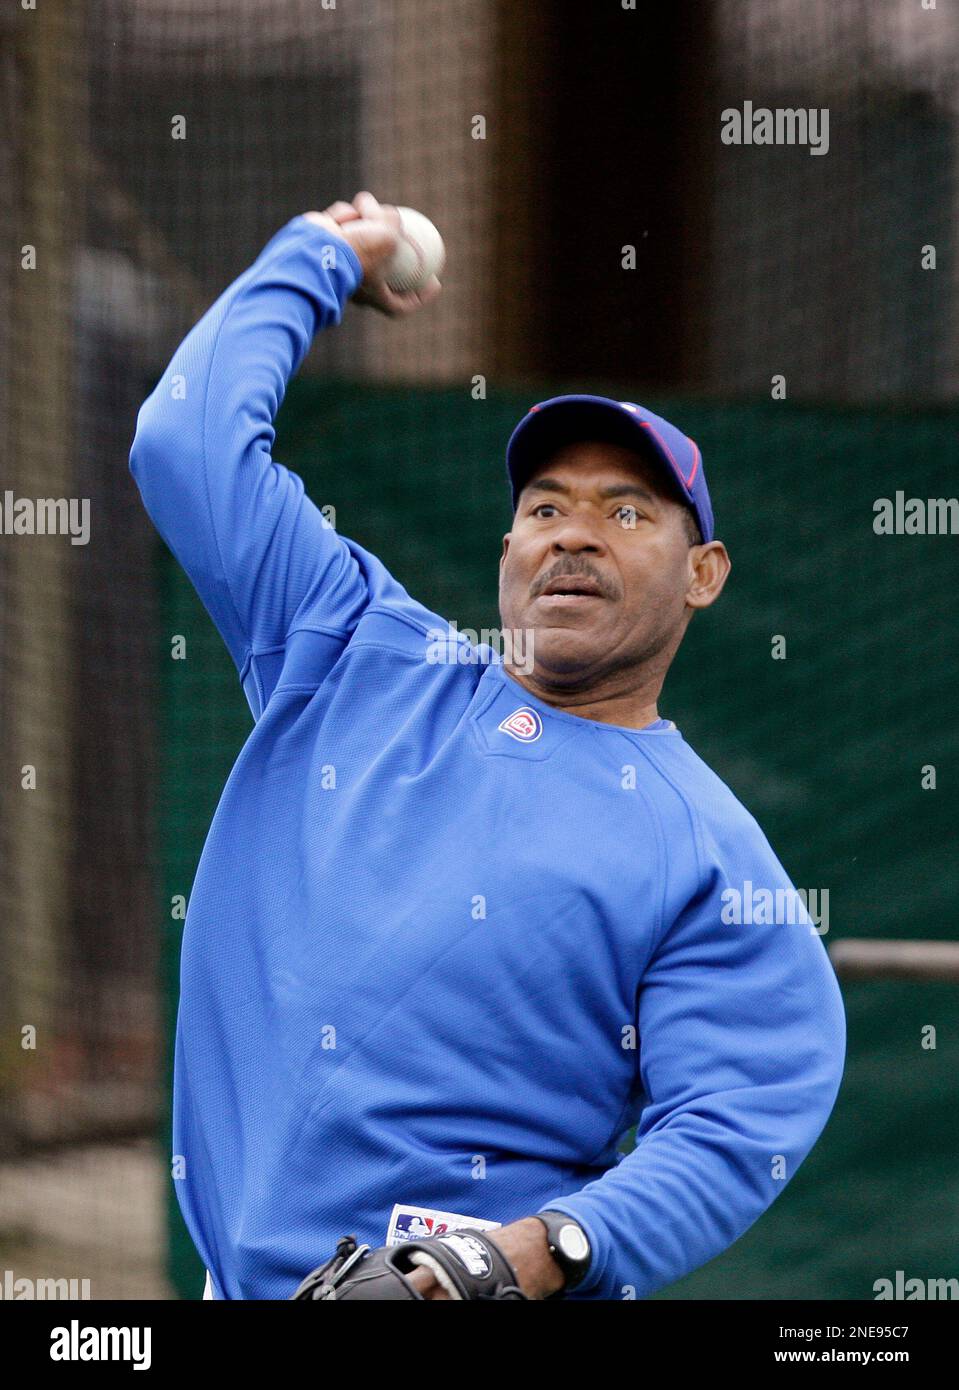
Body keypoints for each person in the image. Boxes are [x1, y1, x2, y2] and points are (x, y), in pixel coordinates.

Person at [130, 192, 846, 1301]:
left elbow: (733, 1123)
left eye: (626, 512)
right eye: (546, 504)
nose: (572, 530)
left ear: (703, 574)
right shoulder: (358, 651)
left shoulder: (707, 852)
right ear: (507, 544)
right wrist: (321, 257)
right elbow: (185, 441)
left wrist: (514, 1256)